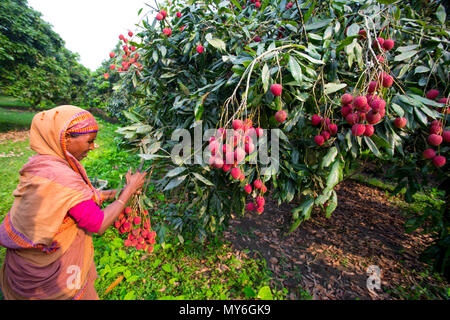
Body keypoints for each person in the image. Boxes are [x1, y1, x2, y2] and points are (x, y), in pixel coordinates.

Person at [0, 105, 147, 300]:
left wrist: (117, 193)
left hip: (24, 268)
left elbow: (78, 198)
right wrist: (127, 192)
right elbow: (98, 224)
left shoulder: (42, 164)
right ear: (66, 138)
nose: (93, 147)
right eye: (90, 141)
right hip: (52, 278)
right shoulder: (63, 178)